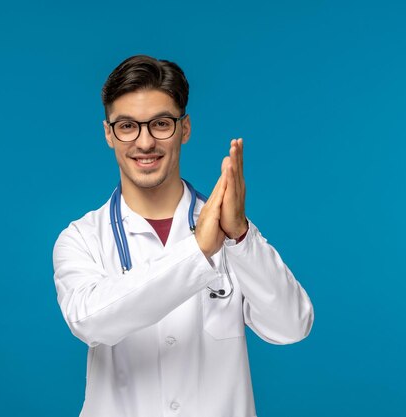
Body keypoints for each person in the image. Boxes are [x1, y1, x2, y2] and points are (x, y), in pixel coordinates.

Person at [52, 54, 314, 417]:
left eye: (161, 124)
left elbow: (291, 326)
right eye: (127, 126)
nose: (145, 143)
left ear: (184, 128)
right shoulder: (82, 238)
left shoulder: (232, 232)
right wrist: (198, 251)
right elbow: (90, 322)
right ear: (109, 134)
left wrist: (239, 236)